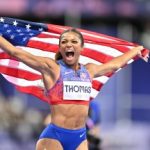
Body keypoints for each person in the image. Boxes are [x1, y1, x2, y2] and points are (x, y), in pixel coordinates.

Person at [0, 28, 147, 150]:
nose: (68, 44)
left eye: (73, 41)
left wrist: (135, 51)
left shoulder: (89, 70)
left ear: (81, 48)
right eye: (64, 42)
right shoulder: (52, 68)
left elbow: (114, 65)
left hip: (80, 137)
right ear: (60, 48)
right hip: (54, 136)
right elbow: (15, 52)